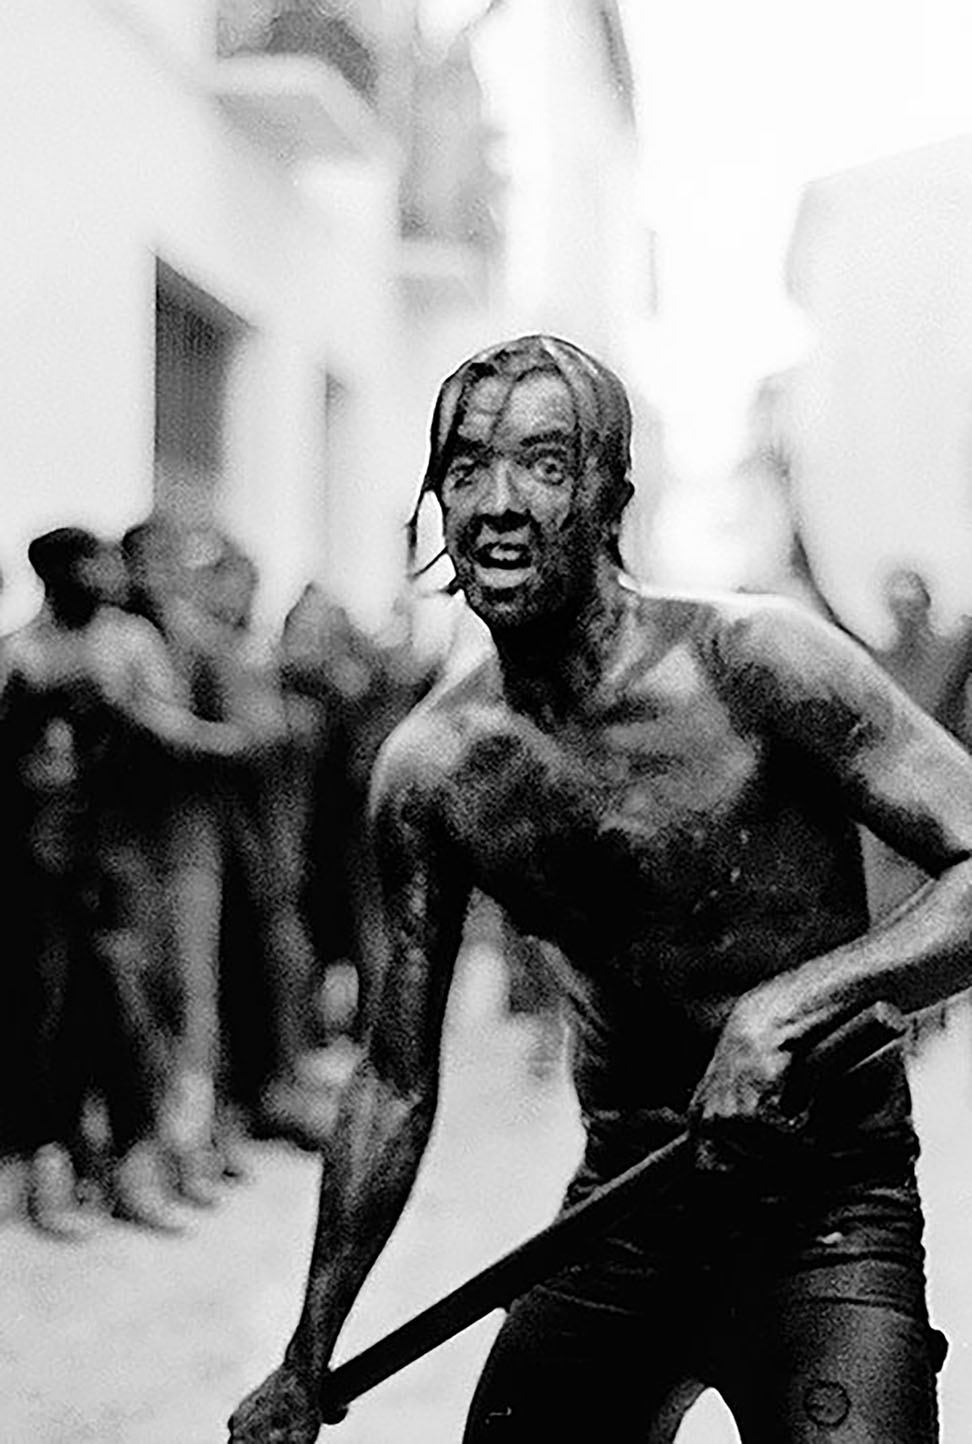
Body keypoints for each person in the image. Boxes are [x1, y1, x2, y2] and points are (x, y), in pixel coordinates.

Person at [228, 335, 972, 1442]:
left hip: (826, 1210)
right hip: (623, 1210)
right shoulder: (437, 770)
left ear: (610, 496)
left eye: (542, 464)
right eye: (466, 469)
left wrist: (788, 1009)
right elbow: (392, 1079)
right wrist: (306, 1353)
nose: (497, 503)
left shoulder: (755, 660)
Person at [0, 526, 244, 1231]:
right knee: (46, 1010)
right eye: (86, 565)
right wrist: (27, 711)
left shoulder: (129, 642)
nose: (102, 577)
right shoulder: (20, 651)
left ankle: (138, 1165)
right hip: (41, 857)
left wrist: (125, 714)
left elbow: (172, 735)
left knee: (127, 1003)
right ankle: (55, 1167)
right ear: (52, 575)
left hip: (119, 851)